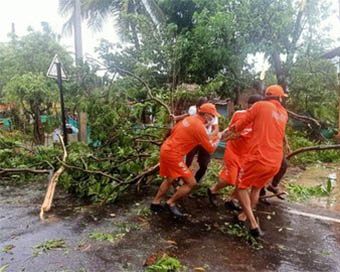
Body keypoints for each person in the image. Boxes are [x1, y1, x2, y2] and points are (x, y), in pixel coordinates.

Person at [229, 85, 288, 237]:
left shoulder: (260, 106)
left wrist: (231, 131)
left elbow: (241, 124)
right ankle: (243, 215)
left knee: (241, 186)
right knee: (255, 188)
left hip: (258, 157)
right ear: (279, 98)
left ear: (266, 95)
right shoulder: (283, 113)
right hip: (275, 161)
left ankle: (253, 224)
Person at [151, 103, 221, 217]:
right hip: (173, 154)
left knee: (170, 178)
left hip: (166, 149)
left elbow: (174, 131)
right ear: (206, 115)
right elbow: (210, 149)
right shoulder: (198, 126)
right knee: (191, 183)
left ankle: (155, 203)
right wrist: (220, 136)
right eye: (212, 116)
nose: (213, 119)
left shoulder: (189, 119)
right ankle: (171, 203)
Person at [208, 95, 263, 209]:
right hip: (233, 151)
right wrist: (223, 136)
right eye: (254, 106)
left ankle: (231, 199)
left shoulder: (261, 120)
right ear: (250, 105)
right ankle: (213, 190)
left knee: (242, 182)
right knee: (231, 179)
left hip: (247, 154)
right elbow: (230, 129)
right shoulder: (239, 114)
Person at [171, 97, 219, 183]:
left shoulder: (211, 114)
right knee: (187, 161)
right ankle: (178, 180)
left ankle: (195, 183)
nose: (199, 110)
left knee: (204, 164)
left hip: (204, 140)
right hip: (193, 140)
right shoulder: (193, 111)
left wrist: (209, 136)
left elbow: (216, 129)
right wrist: (176, 118)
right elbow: (187, 116)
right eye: (198, 108)